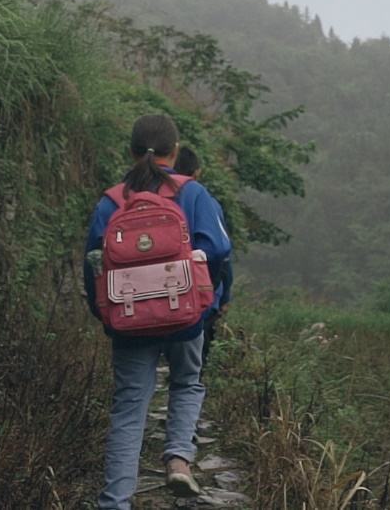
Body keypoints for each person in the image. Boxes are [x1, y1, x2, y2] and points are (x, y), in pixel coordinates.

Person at [85, 115, 232, 509]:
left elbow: (92, 262)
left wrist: (105, 315)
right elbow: (218, 248)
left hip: (129, 320)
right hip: (185, 316)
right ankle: (179, 460)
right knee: (187, 383)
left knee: (130, 410)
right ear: (177, 151)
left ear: (130, 151)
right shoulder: (194, 194)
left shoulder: (112, 200)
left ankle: (116, 502)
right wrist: (204, 299)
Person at [172, 146, 233, 378]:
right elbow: (221, 252)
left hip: (145, 301)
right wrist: (222, 293)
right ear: (196, 173)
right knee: (190, 376)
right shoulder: (202, 198)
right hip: (196, 302)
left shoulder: (137, 191)